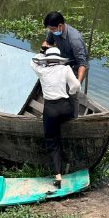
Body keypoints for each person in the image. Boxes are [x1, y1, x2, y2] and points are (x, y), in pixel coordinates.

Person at [30, 47, 81, 188]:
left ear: (47, 60)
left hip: (50, 110)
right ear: (59, 59)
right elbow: (76, 85)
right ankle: (75, 119)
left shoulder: (42, 70)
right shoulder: (65, 69)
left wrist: (41, 51)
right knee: (72, 100)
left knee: (52, 142)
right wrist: (70, 92)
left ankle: (58, 175)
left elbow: (32, 62)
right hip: (65, 109)